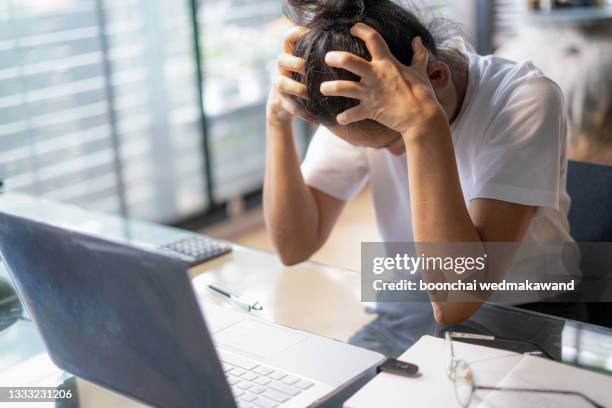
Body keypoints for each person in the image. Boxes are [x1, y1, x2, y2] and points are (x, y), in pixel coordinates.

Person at [264, 0, 579, 325]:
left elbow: (456, 302)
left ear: (436, 75)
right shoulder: (359, 97)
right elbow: (294, 246)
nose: (390, 155)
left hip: (530, 307)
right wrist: (277, 121)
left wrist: (422, 126)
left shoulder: (523, 99)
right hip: (417, 296)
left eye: (393, 142)